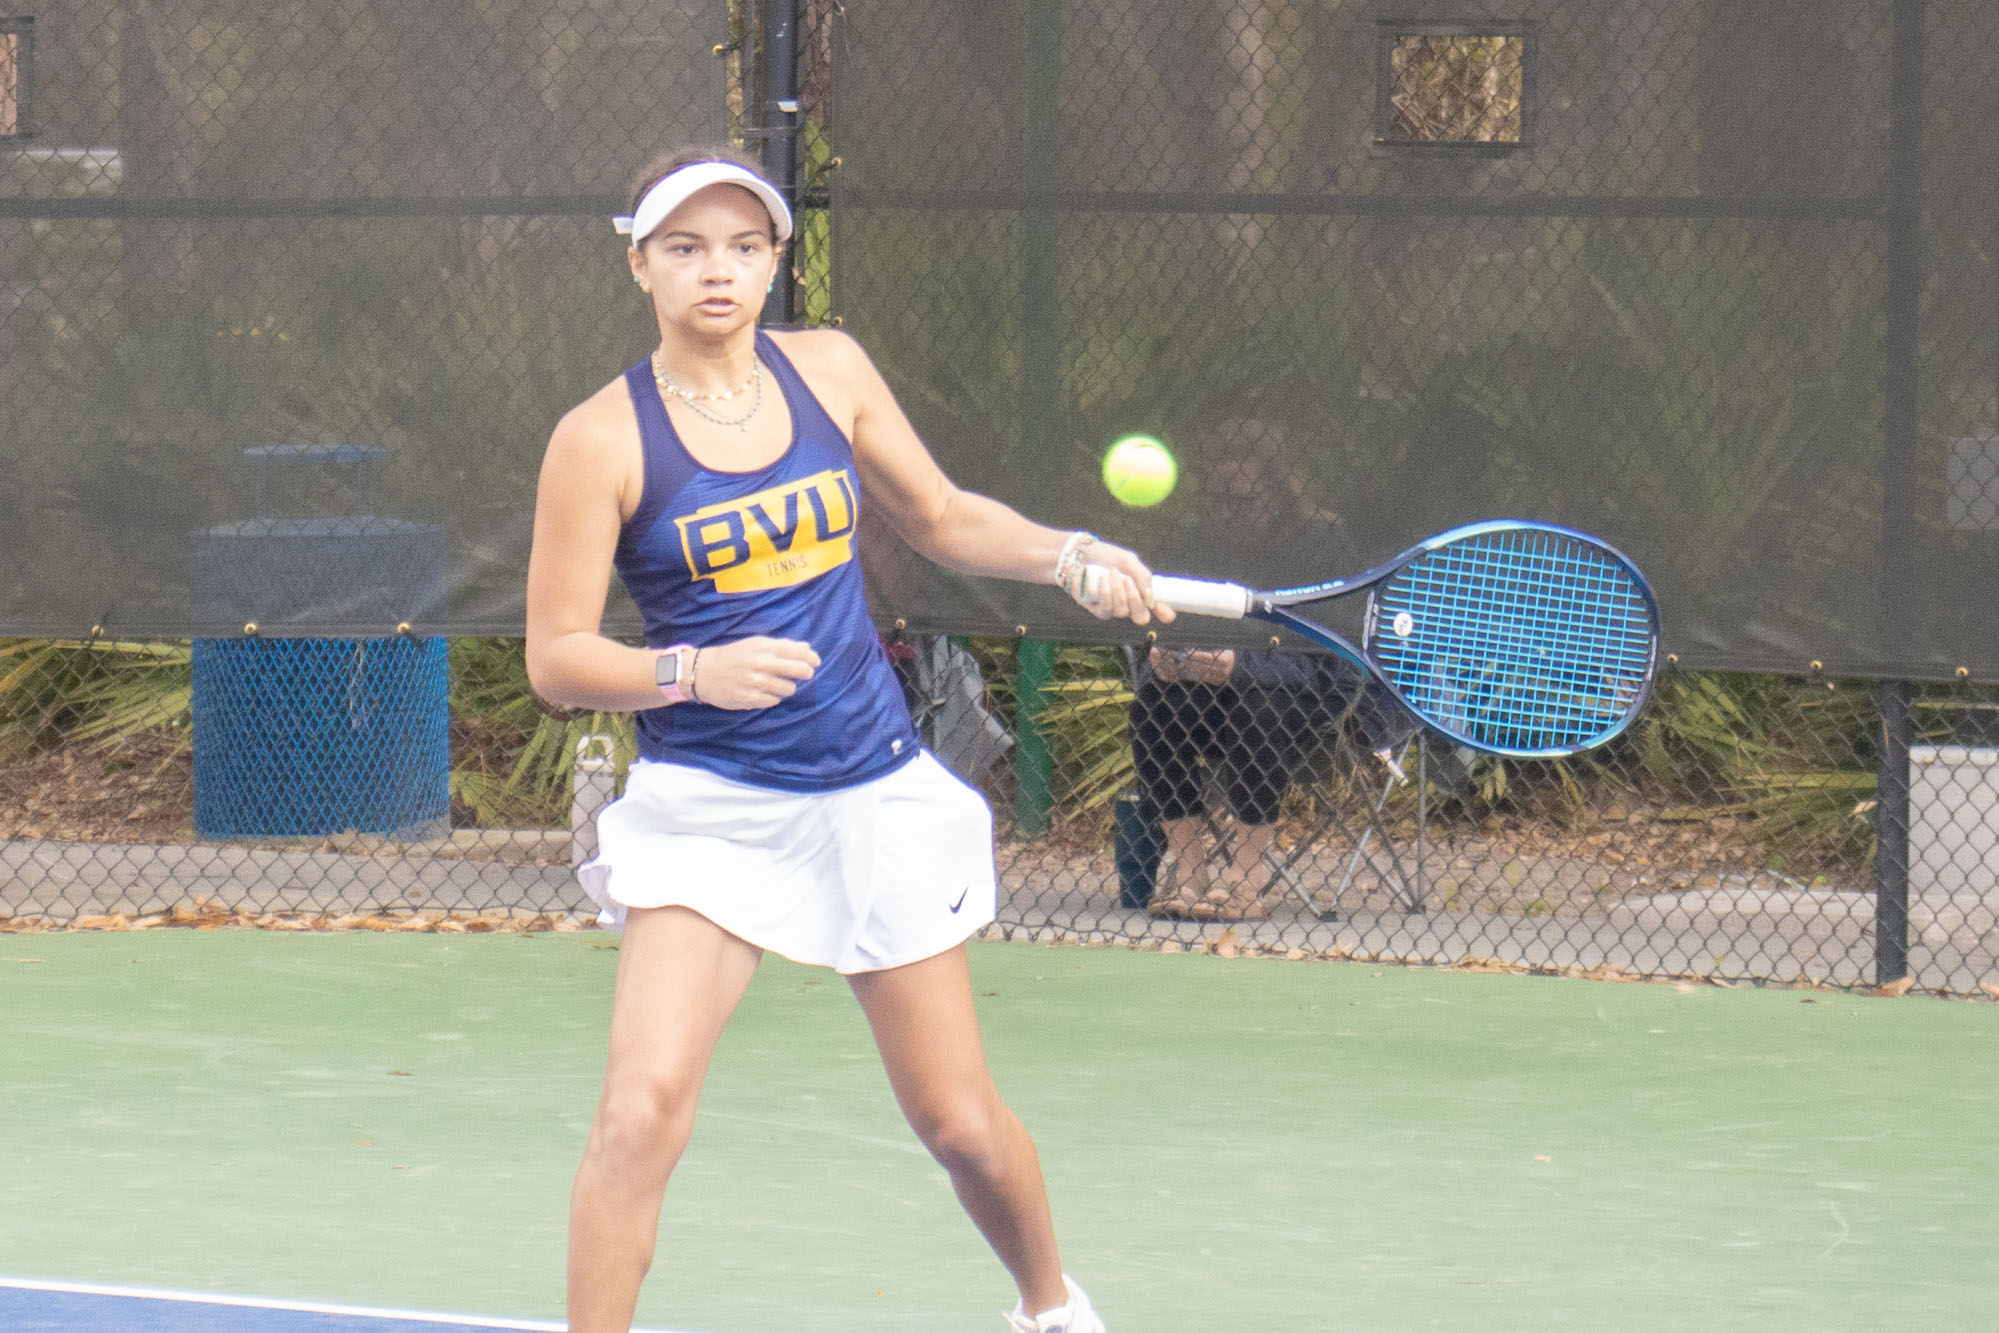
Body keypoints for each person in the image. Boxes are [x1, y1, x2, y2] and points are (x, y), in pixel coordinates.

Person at [523, 145, 1167, 1333]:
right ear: (640, 263)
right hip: (708, 810)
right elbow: (556, 657)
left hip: (871, 795)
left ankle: (1051, 1309)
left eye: (742, 246)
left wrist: (1069, 553)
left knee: (961, 1125)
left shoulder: (829, 369)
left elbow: (939, 515)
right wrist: (691, 670)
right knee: (637, 1111)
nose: (716, 271)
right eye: (685, 247)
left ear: (775, 260)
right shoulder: (599, 439)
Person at [1131, 645, 1407, 920]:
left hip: (1316, 700)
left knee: (1256, 708)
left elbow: (1332, 668)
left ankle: (1247, 878)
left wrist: (1241, 666)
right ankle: (1190, 871)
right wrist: (1165, 663)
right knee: (1152, 708)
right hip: (1217, 692)